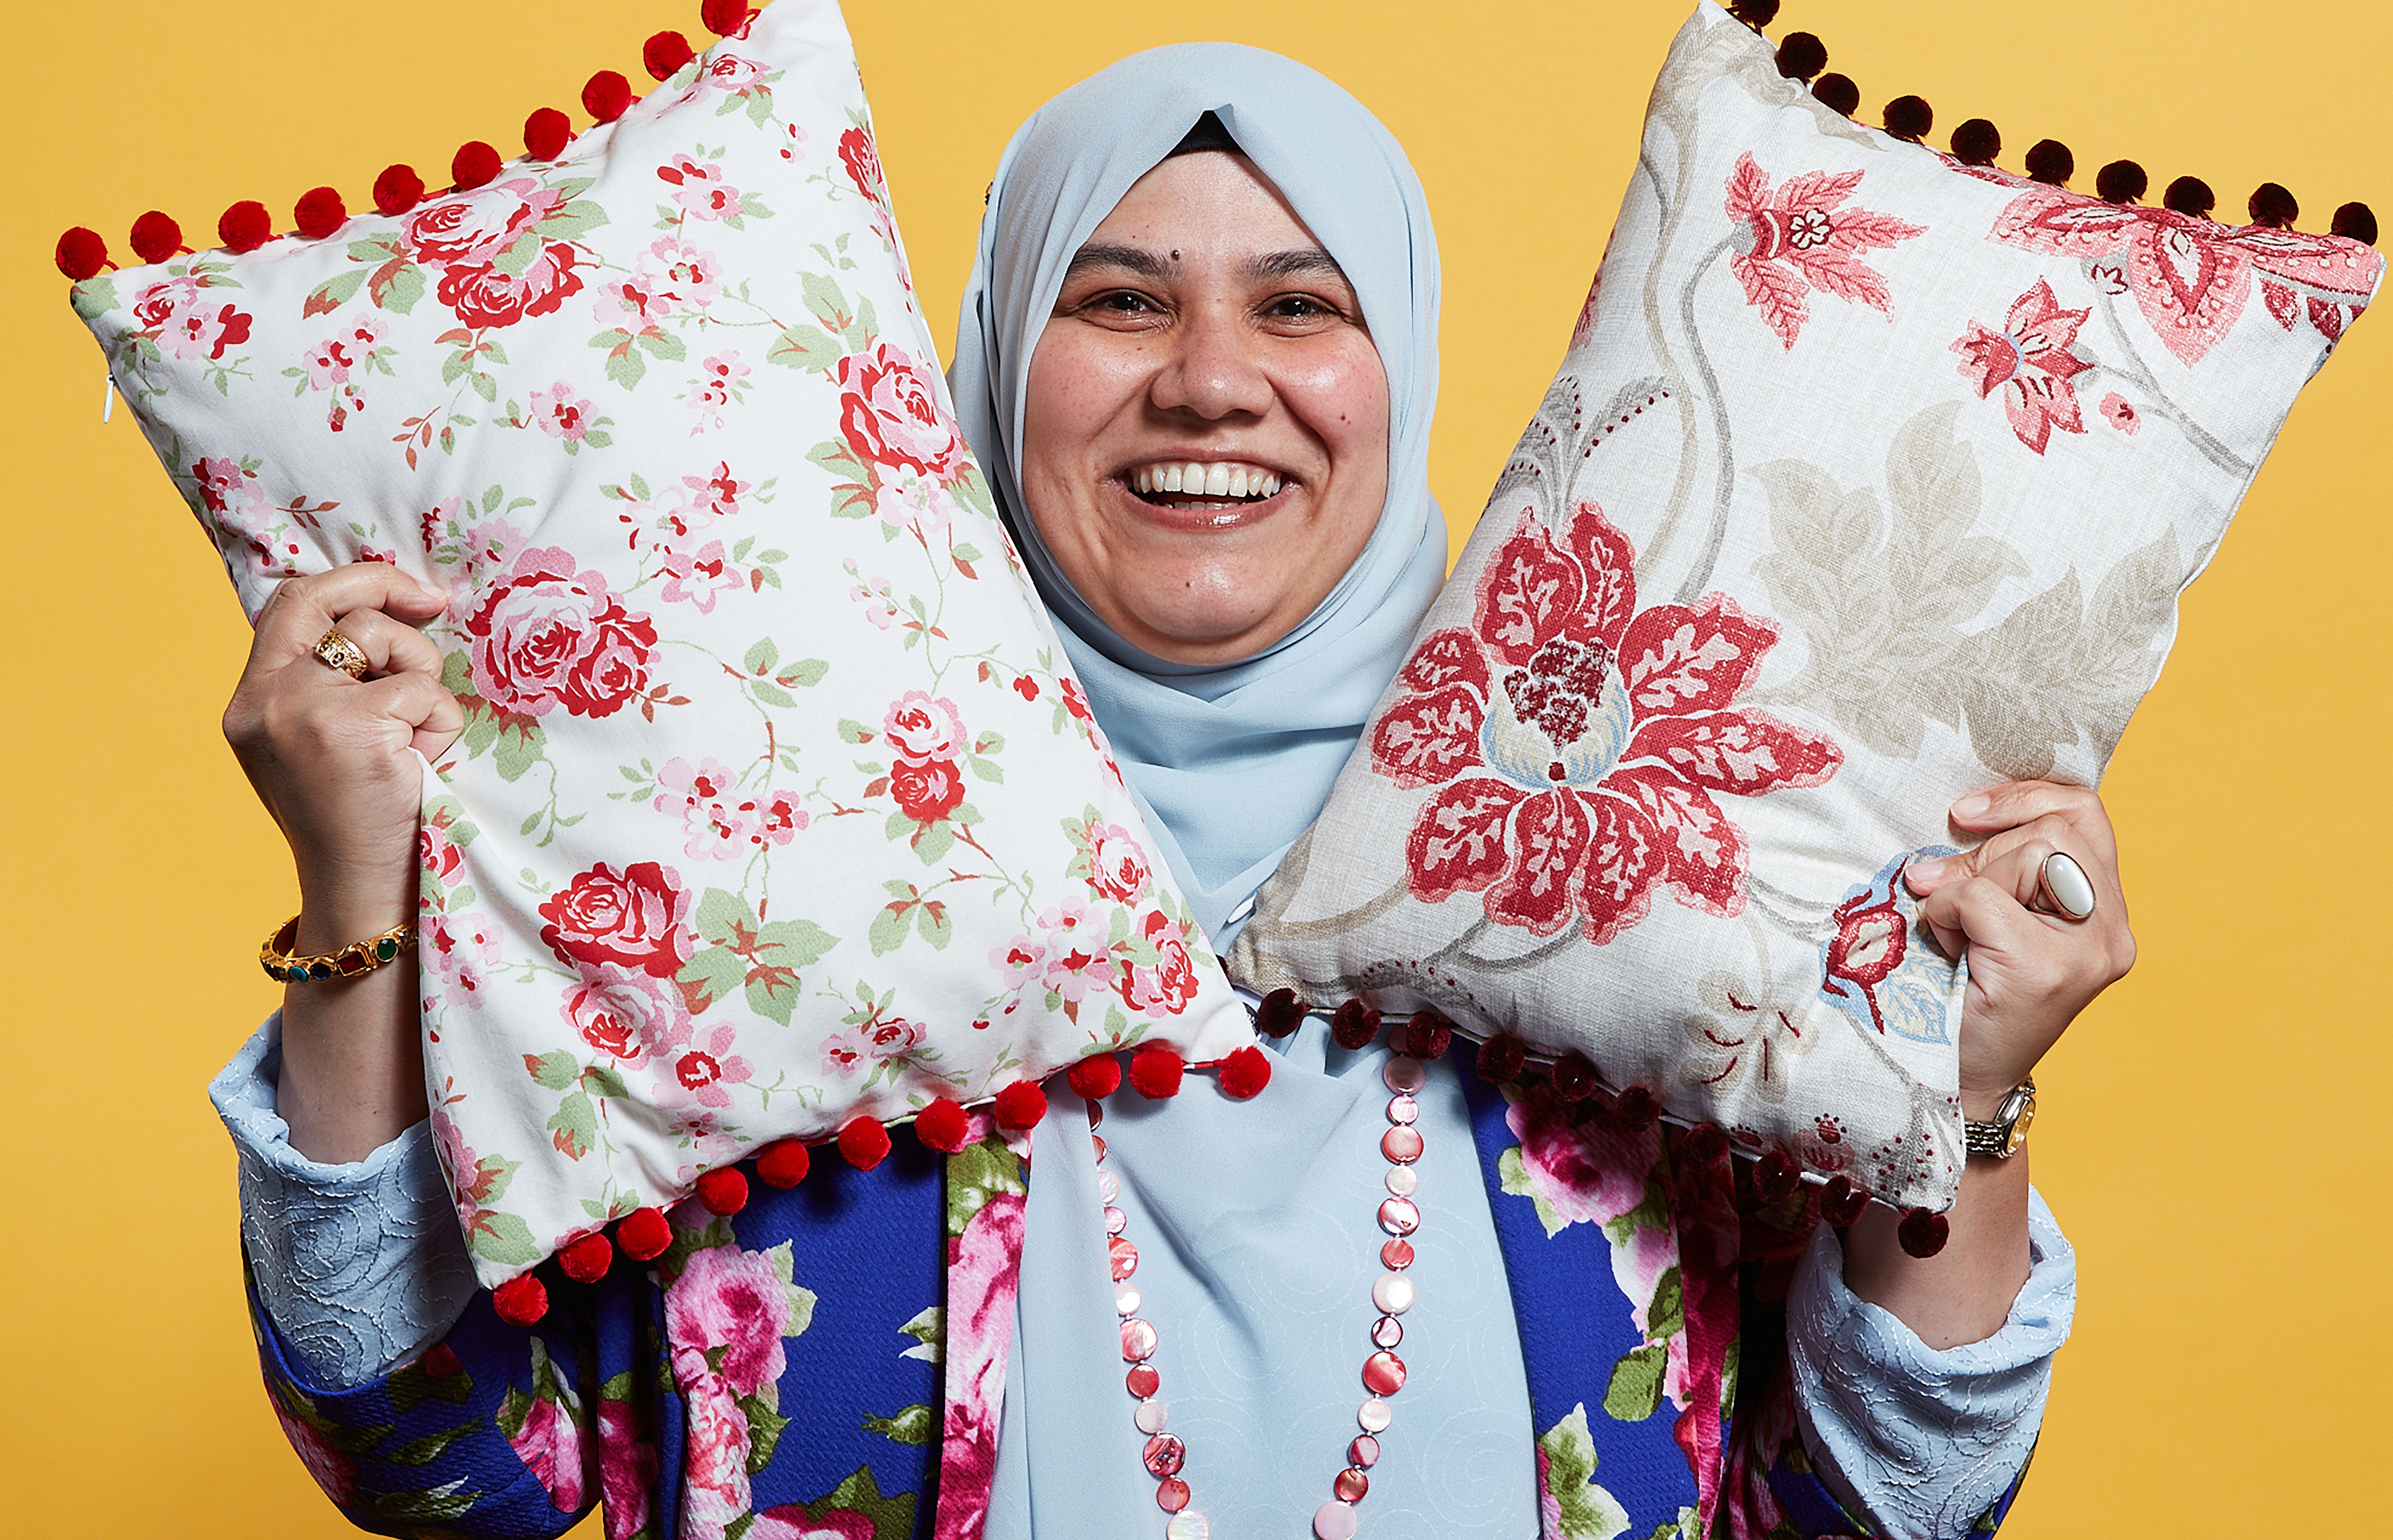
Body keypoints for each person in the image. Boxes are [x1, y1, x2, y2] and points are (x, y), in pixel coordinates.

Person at [211, 41, 2119, 1540]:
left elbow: (1878, 1511)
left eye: (1303, 307)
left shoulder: (1617, 881)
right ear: (983, 362)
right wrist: (362, 896)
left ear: (1409, 370)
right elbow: (427, 1454)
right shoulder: (756, 893)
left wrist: (1962, 1097)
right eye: (1119, 301)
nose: (1213, 381)